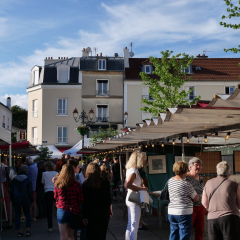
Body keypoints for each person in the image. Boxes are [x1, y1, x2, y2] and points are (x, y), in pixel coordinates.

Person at [202, 161, 240, 240]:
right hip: (230, 219)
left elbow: (205, 204)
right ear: (229, 173)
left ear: (217, 171)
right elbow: (239, 205)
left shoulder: (208, 183)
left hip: (212, 220)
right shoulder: (233, 184)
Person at [168, 161, 199, 240]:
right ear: (184, 171)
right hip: (184, 212)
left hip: (172, 211)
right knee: (184, 235)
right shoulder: (186, 184)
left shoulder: (170, 181)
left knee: (173, 233)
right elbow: (196, 198)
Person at [82, 163, 112, 240]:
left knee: (91, 235)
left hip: (90, 213)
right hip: (103, 212)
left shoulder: (86, 184)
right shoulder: (105, 182)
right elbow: (108, 198)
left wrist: (84, 216)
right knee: (102, 234)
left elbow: (84, 202)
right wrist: (110, 210)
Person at [54, 164, 83, 240]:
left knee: (63, 236)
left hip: (61, 210)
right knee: (71, 236)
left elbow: (55, 197)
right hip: (73, 211)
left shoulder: (58, 184)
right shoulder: (77, 184)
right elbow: (80, 199)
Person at [125, 151, 148, 240]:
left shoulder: (130, 169)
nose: (144, 161)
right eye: (143, 159)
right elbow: (128, 185)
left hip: (130, 197)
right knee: (134, 225)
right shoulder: (134, 170)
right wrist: (142, 188)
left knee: (130, 224)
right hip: (134, 199)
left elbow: (126, 185)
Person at [10, 165, 34, 237]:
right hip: (26, 199)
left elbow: (11, 191)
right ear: (26, 171)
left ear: (19, 171)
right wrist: (32, 199)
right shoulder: (28, 180)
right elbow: (30, 191)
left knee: (17, 215)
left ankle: (19, 231)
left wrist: (12, 199)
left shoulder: (14, 180)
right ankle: (28, 230)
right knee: (27, 215)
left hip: (16, 199)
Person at [185, 157, 205, 240]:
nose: (199, 167)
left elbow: (202, 191)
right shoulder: (186, 178)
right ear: (190, 167)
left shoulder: (201, 178)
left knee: (200, 230)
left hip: (201, 206)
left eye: (200, 165)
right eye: (196, 165)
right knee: (188, 230)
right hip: (191, 207)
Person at [42, 161, 58, 232]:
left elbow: (43, 182)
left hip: (48, 192)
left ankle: (50, 227)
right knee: (59, 209)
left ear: (47, 167)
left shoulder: (44, 173)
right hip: (56, 192)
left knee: (49, 210)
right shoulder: (56, 173)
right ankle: (61, 225)